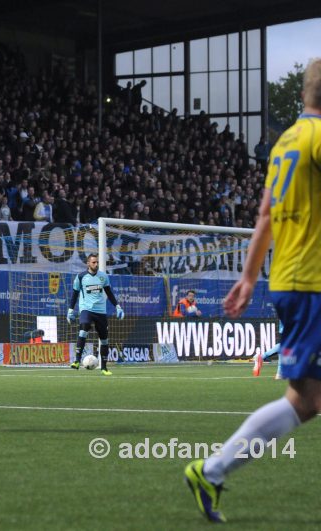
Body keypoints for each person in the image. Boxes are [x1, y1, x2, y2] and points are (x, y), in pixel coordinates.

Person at [184, 58, 321, 523]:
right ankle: (213, 468)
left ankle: (213, 471)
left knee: (307, 400)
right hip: (312, 282)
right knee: (304, 400)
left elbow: (264, 215)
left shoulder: (285, 141)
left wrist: (247, 277)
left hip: (289, 277)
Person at [66, 253, 124, 375]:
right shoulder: (81, 277)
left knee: (104, 340)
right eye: (93, 262)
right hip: (86, 309)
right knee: (84, 327)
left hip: (101, 312)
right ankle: (76, 361)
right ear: (88, 263)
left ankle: (104, 368)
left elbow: (109, 293)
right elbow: (75, 294)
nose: (96, 264)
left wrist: (117, 306)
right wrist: (70, 310)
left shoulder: (103, 277)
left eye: (97, 262)